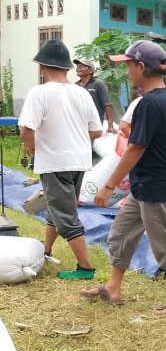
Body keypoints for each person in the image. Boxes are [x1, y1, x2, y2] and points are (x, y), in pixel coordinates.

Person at [80, 40, 166, 315]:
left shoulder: (149, 104)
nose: (127, 72)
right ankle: (114, 288)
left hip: (157, 188)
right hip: (144, 186)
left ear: (142, 67)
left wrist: (108, 186)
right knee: (121, 233)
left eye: (129, 66)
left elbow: (135, 147)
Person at [18, 39, 103, 280]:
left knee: (66, 216)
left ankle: (85, 268)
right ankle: (46, 251)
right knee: (58, 209)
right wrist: (73, 136)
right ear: (67, 68)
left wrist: (30, 143)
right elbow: (96, 132)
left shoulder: (39, 92)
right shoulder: (82, 93)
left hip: (55, 162)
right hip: (80, 161)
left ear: (43, 67)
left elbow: (26, 130)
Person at [74, 57, 117, 133]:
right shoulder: (75, 85)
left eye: (81, 66)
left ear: (90, 70)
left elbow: (107, 105)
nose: (78, 68)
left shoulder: (98, 84)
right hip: (78, 127)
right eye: (77, 66)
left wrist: (110, 126)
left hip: (94, 127)